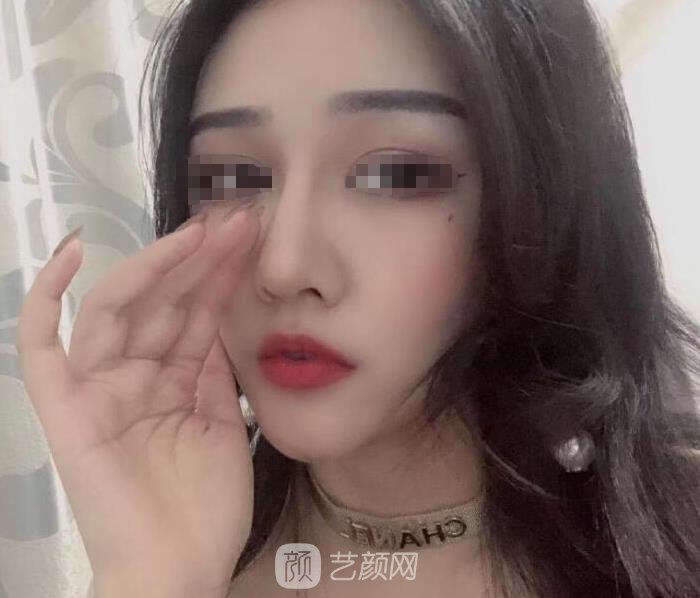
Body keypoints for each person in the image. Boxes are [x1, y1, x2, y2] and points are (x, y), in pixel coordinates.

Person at [15, 0, 700, 596]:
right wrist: (154, 578)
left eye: (394, 174)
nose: (283, 267)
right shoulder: (184, 553)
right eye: (231, 175)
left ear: (540, 201)